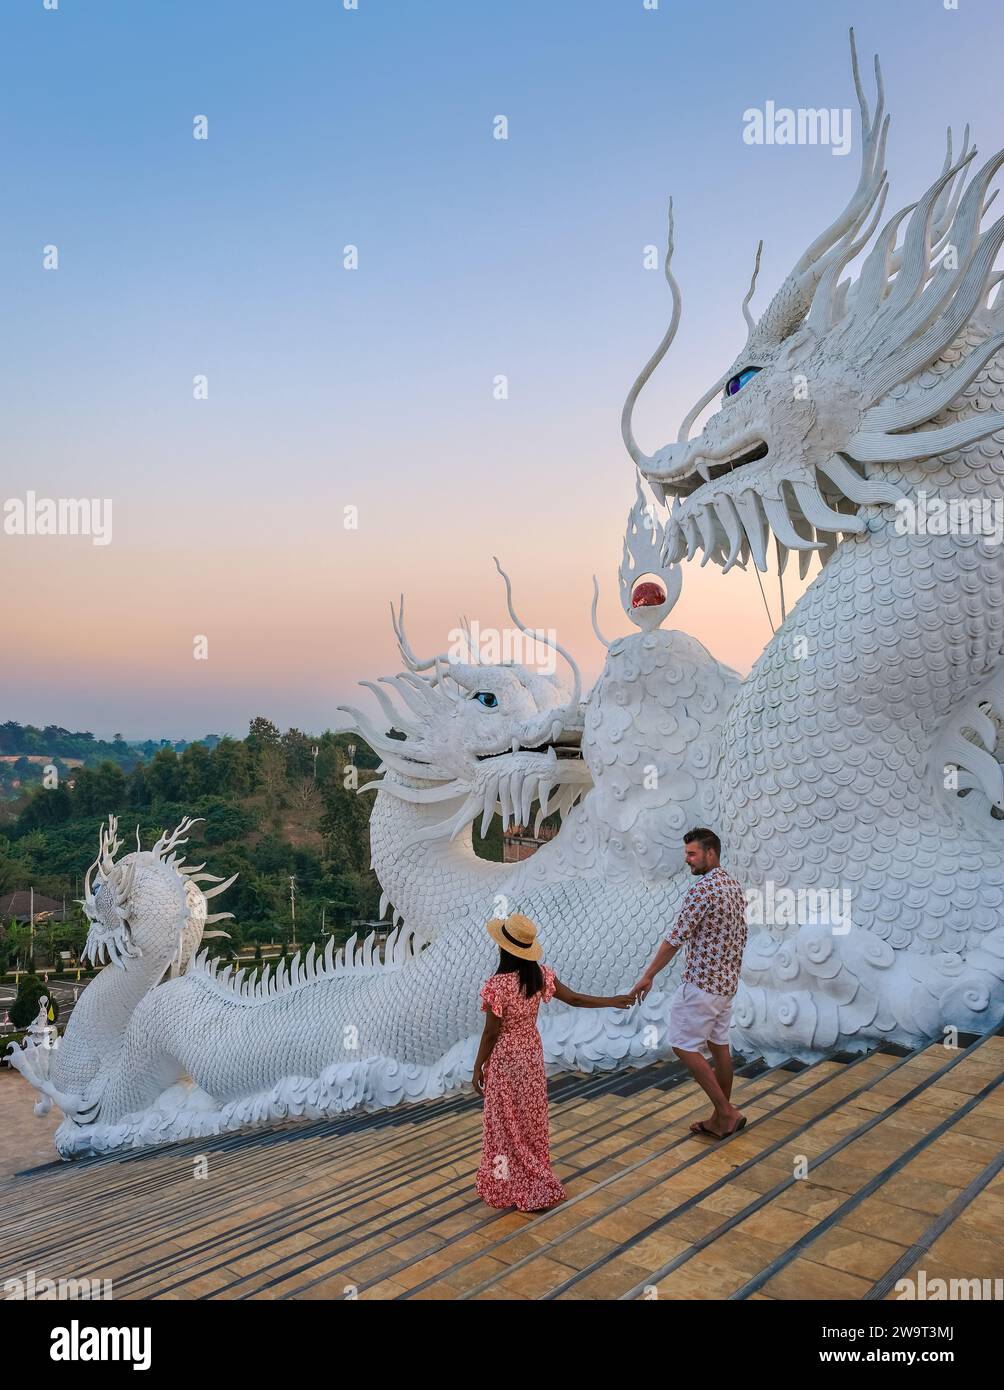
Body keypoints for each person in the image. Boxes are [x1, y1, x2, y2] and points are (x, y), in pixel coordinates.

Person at [473, 912, 633, 1212]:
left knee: (503, 1127)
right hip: (531, 1057)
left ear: (504, 949)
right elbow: (576, 1000)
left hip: (506, 1060)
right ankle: (535, 1177)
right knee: (530, 1121)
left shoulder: (497, 986)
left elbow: (491, 1032)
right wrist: (612, 1000)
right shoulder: (540, 976)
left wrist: (477, 1066)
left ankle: (504, 1183)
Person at [631, 827, 748, 1139]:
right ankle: (721, 1115)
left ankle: (725, 1112)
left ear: (711, 853)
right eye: (686, 854)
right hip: (725, 986)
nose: (688, 860)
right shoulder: (733, 886)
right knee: (719, 1046)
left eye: (692, 854)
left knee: (682, 1045)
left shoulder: (704, 889)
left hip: (701, 986)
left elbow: (675, 939)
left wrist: (648, 975)